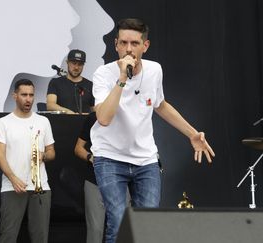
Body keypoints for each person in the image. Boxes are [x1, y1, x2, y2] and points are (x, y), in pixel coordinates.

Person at [91, 18, 215, 243]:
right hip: (109, 157)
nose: (129, 49)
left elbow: (161, 105)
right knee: (118, 221)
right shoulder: (103, 74)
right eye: (124, 43)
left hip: (145, 160)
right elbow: (104, 118)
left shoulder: (155, 70)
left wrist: (192, 134)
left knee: (148, 223)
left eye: (135, 43)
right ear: (116, 44)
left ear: (145, 46)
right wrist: (121, 79)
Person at [0, 79, 56, 243]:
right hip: (12, 187)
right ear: (15, 96)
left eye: (31, 95)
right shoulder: (3, 123)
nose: (28, 99)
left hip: (41, 187)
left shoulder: (43, 121)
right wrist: (13, 179)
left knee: (40, 237)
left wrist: (44, 156)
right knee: (8, 236)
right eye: (24, 95)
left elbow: (52, 152)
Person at [74, 112, 105, 243]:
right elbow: (78, 148)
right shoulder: (94, 117)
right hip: (95, 180)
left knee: (122, 228)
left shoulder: (128, 114)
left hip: (122, 182)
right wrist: (90, 157)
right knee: (95, 230)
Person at [46, 49, 95, 114]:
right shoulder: (55, 82)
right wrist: (67, 112)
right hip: (62, 122)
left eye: (80, 64)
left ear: (83, 65)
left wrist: (87, 115)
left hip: (84, 123)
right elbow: (50, 105)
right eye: (74, 63)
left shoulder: (90, 85)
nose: (76, 67)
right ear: (67, 62)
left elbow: (94, 109)